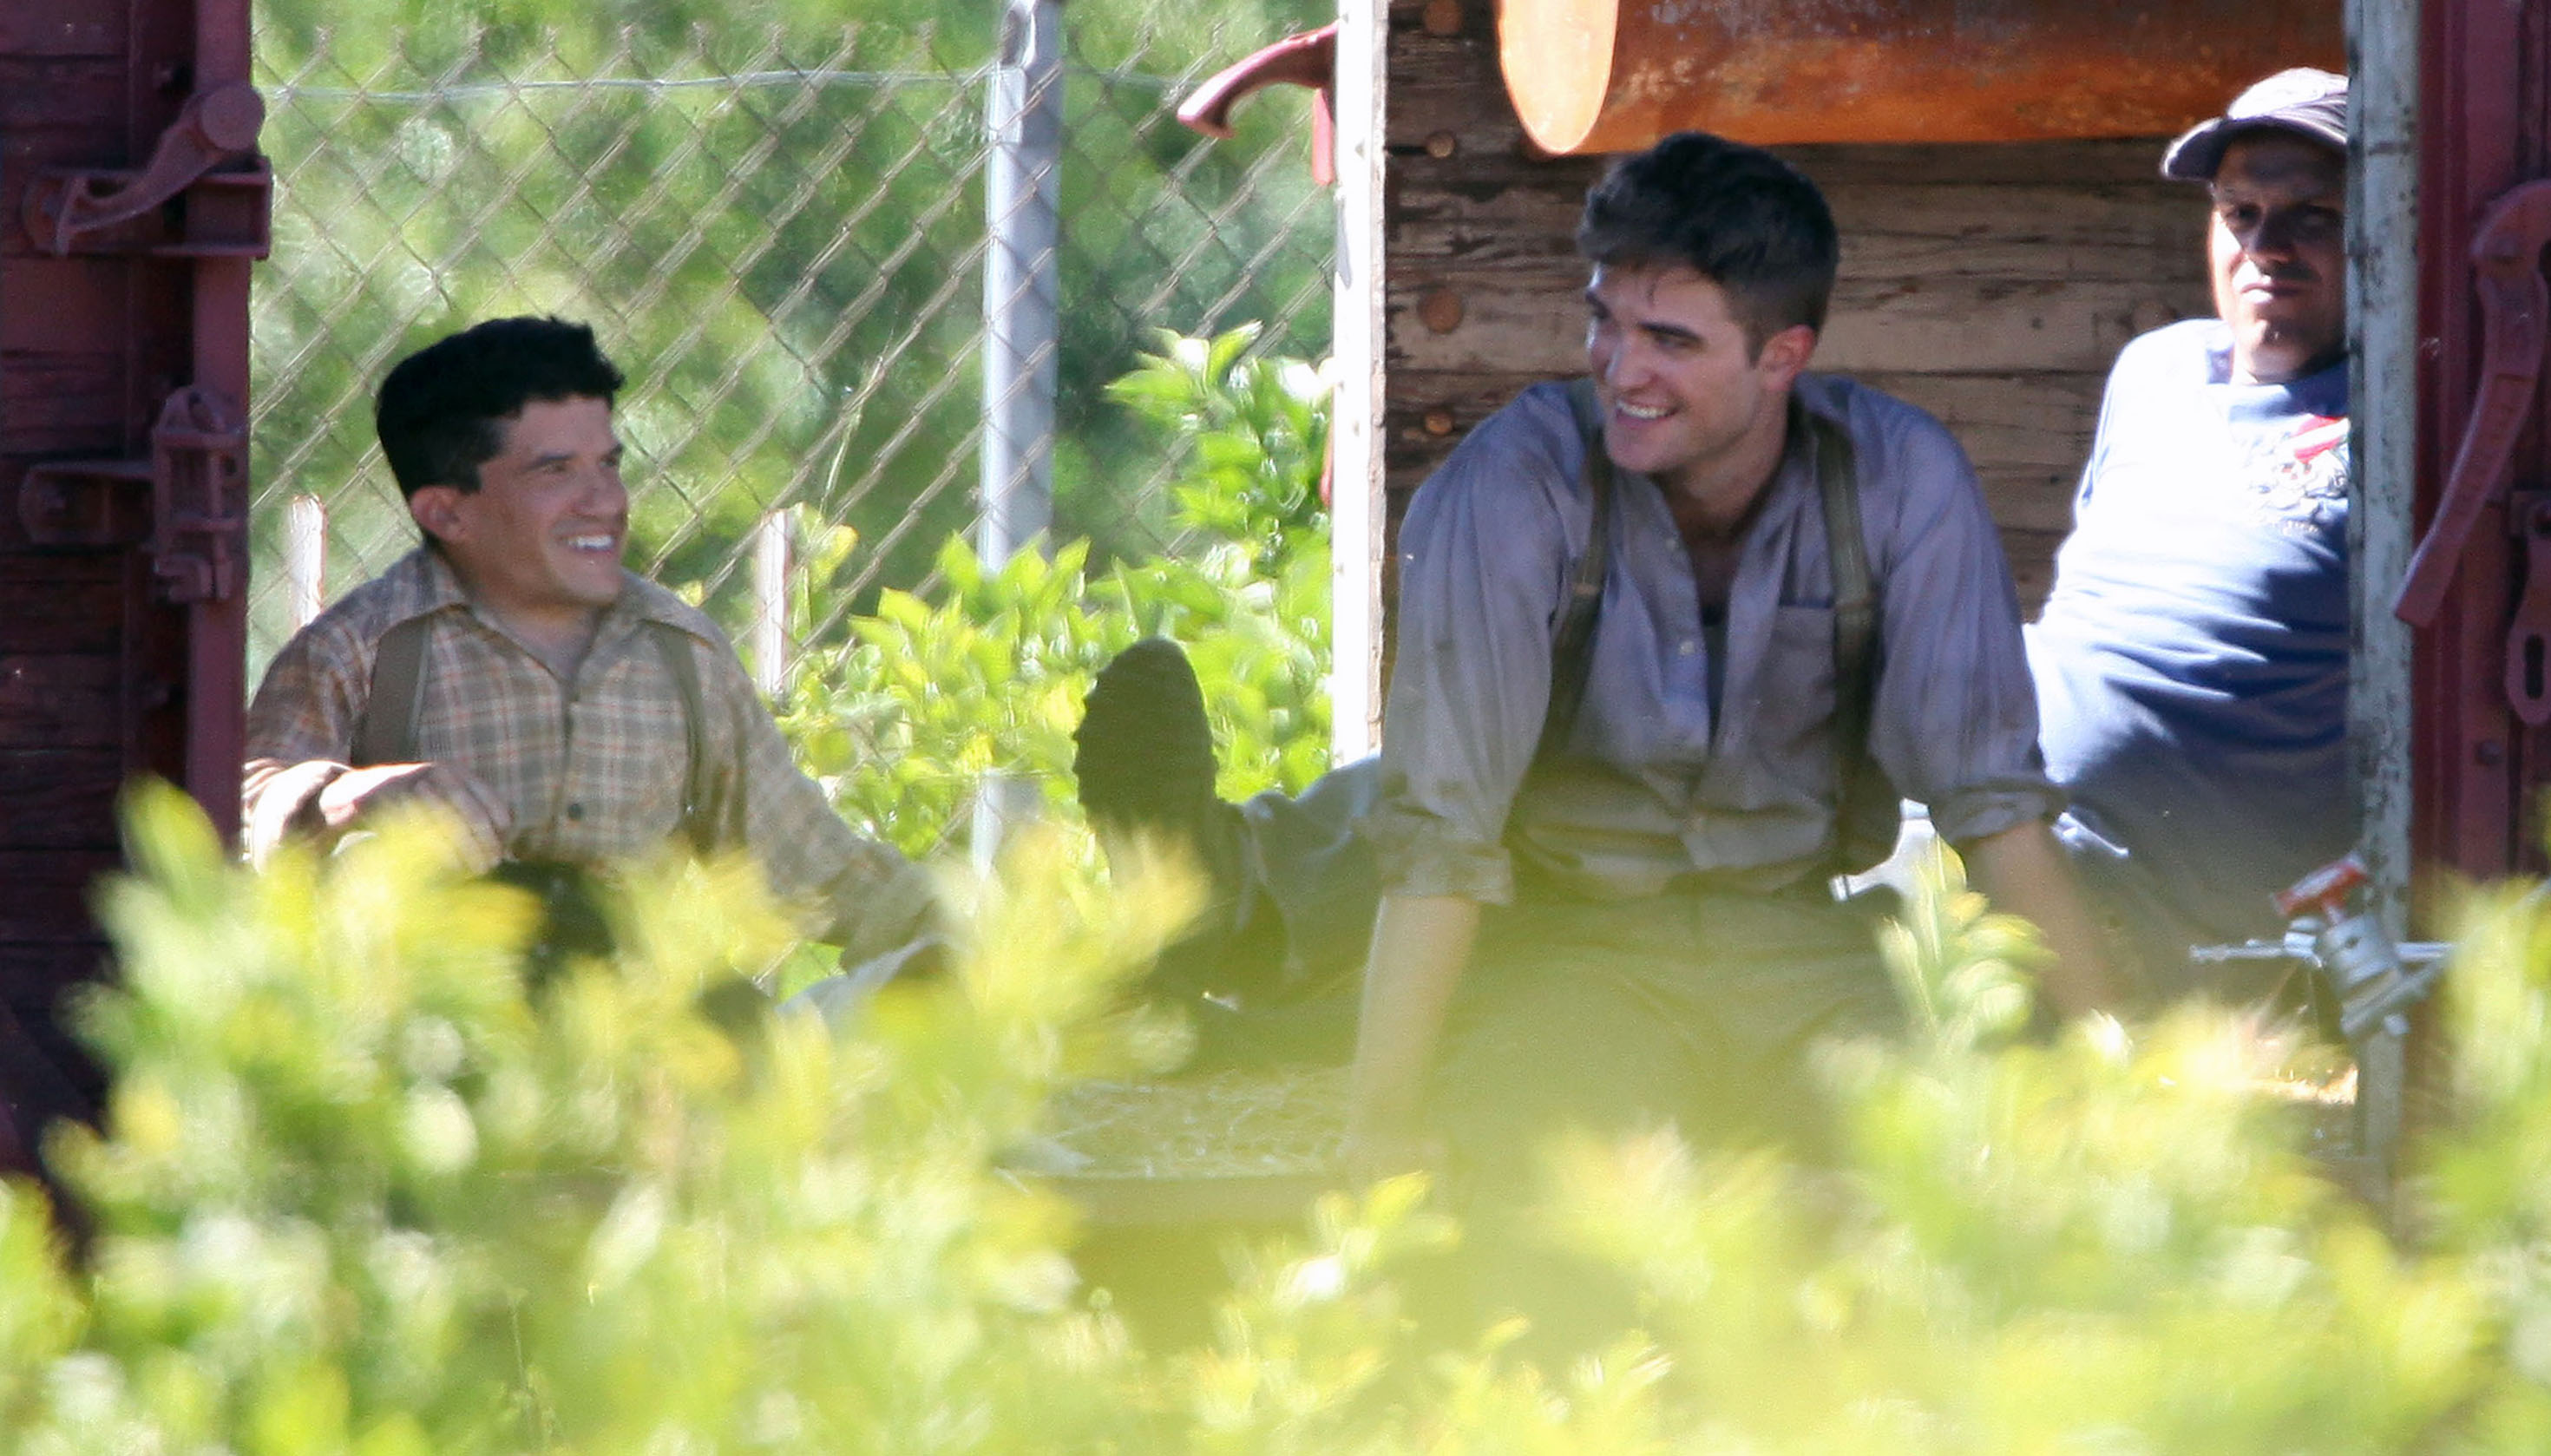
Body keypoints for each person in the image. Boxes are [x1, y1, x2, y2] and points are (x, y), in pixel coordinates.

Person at [1077, 134, 2116, 1190]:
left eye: (1670, 339)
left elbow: (1994, 805)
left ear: (1782, 357)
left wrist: (2118, 1086)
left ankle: (1225, 934)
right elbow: (1442, 836)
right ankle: (1217, 908)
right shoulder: (1511, 487)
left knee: (1959, 1136)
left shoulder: (1898, 480)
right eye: (1604, 321)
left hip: (1805, 941)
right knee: (1536, 1136)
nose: (1622, 368)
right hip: (1564, 929)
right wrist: (1379, 1125)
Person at [242, 317, 937, 972]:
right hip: (433, 1019)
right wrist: (356, 796)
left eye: (608, 465)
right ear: (447, 512)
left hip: (630, 1025)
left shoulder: (678, 653)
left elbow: (809, 865)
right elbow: (246, 806)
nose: (605, 501)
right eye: (556, 472)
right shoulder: (366, 650)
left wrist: (950, 925)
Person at [2025, 69, 2352, 996]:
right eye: (2240, 213)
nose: (2266, 247)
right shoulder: (2155, 369)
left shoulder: (2404, 419)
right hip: (2007, 814)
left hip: (2172, 902)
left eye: (2314, 216)